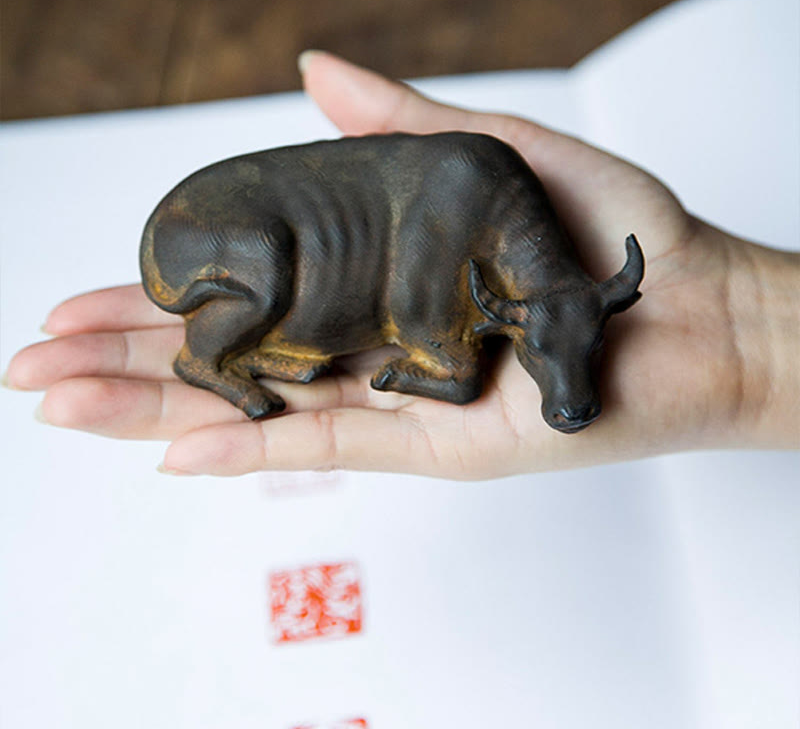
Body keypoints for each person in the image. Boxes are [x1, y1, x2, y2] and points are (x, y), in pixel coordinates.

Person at [4, 51, 799, 477]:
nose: (571, 398)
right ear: (508, 321)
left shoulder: (503, 226)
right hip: (204, 239)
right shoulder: (463, 195)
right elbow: (428, 327)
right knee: (276, 274)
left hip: (303, 268)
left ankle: (266, 346)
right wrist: (442, 371)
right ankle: (211, 362)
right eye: (545, 358)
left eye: (576, 359)